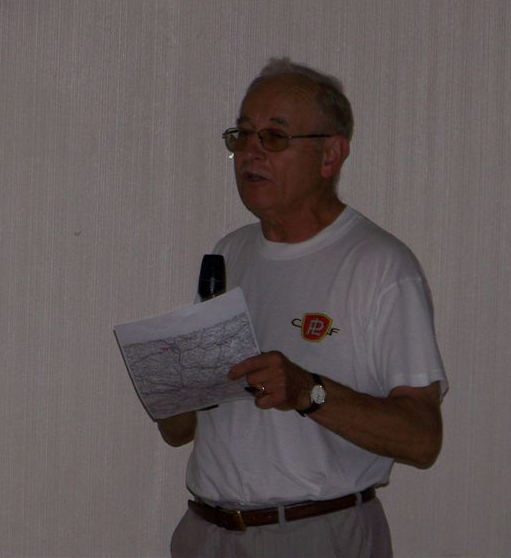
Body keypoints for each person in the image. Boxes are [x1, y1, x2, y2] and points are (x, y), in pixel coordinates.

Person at [159, 57, 448, 558]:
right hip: (207, 532)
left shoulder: (380, 266)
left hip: (313, 534)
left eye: (273, 137)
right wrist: (175, 384)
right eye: (242, 135)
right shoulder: (229, 253)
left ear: (331, 154)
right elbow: (178, 432)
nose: (250, 152)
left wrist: (307, 391)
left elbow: (422, 441)